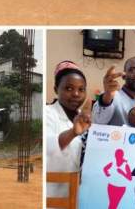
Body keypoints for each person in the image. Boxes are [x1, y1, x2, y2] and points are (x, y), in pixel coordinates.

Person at [45, 62, 90, 199]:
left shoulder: (86, 118)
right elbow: (48, 146)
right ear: (56, 89)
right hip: (54, 196)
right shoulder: (48, 114)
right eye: (69, 88)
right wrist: (72, 133)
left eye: (81, 89)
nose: (76, 94)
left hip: (79, 196)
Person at [93, 57, 135, 126]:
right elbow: (98, 122)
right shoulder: (111, 96)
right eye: (133, 70)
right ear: (123, 76)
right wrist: (107, 97)